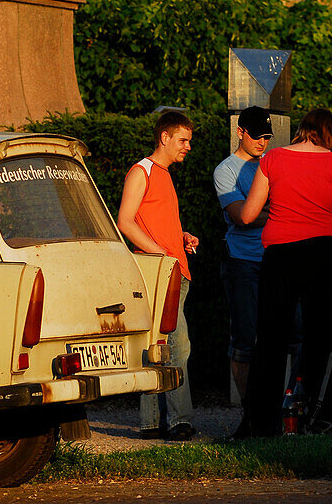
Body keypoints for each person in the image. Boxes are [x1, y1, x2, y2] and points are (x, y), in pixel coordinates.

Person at [237, 108, 332, 437]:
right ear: (329, 133)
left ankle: (260, 423)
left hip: (280, 255)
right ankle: (315, 412)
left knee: (269, 338)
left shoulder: (273, 159)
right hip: (325, 254)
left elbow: (249, 214)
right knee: (319, 335)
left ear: (301, 129)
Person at [117, 110, 199, 440]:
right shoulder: (143, 171)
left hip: (173, 270)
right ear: (164, 137)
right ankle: (180, 421)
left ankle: (151, 424)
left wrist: (181, 238)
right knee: (179, 345)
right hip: (162, 274)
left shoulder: (163, 174)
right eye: (183, 140)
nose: (187, 147)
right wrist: (161, 255)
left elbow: (154, 222)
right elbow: (125, 222)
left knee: (159, 345)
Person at [213, 106, 273, 400]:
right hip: (242, 260)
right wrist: (276, 212)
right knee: (245, 338)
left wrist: (264, 212)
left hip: (273, 258)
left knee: (286, 335)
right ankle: (249, 410)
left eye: (267, 137)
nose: (262, 142)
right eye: (257, 136)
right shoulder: (225, 170)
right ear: (240, 132)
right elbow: (241, 217)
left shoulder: (271, 163)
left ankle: (278, 407)